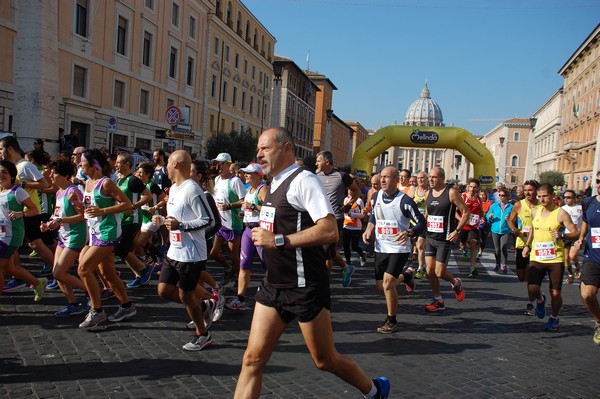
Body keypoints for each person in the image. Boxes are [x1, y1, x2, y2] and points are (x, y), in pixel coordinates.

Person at [234, 127, 389, 399]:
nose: (258, 154)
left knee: (325, 359)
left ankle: (375, 390)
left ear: (286, 149)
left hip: (305, 287)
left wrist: (278, 240)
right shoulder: (272, 184)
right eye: (257, 149)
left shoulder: (304, 180)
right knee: (252, 360)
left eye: (265, 148)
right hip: (274, 285)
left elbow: (330, 231)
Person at [155, 150, 217, 351]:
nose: (165, 167)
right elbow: (175, 219)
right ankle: (205, 305)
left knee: (186, 296)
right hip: (174, 250)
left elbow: (208, 219)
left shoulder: (193, 189)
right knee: (163, 290)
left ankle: (203, 334)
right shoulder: (173, 188)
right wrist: (162, 221)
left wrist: (181, 226)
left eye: (167, 164)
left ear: (176, 164)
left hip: (191, 254)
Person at [76, 149, 136, 330]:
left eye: (82, 162)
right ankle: (127, 306)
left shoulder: (106, 183)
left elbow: (128, 205)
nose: (79, 165)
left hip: (108, 233)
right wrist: (77, 204)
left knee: (84, 269)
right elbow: (89, 209)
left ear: (94, 165)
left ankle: (97, 311)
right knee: (107, 273)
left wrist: (103, 211)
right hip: (94, 233)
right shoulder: (87, 183)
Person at [362, 166, 426, 334]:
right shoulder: (376, 196)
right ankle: (406, 277)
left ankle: (392, 320)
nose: (382, 180)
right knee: (381, 287)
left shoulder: (405, 201)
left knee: (388, 284)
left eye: (387, 177)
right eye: (381, 177)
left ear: (396, 180)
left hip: (399, 248)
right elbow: (374, 215)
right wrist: (369, 228)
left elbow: (421, 223)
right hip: (381, 247)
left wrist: (410, 232)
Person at [522, 183, 579, 331]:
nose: (542, 199)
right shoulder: (535, 212)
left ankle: (554, 317)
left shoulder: (561, 213)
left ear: (553, 196)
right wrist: (527, 246)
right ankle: (540, 300)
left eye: (545, 196)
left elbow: (575, 232)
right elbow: (533, 231)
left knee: (555, 293)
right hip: (537, 257)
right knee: (532, 289)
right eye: (539, 196)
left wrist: (562, 235)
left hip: (555, 258)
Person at [0, 137, 54, 291]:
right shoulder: (11, 166)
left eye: (1, 149)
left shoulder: (25, 166)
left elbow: (45, 184)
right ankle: (17, 277)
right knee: (17, 249)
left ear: (10, 149)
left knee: (36, 244)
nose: (0, 153)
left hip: (27, 212)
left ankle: (58, 273)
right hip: (11, 215)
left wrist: (21, 184)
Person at [40, 159, 89, 316]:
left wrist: (60, 221)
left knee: (59, 273)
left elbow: (83, 216)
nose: (52, 175)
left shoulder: (73, 192)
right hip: (63, 235)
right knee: (57, 272)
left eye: (55, 173)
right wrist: (48, 224)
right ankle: (73, 304)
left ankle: (92, 290)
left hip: (76, 235)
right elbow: (58, 216)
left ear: (66, 175)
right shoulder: (59, 192)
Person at [423, 167, 469, 312]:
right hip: (430, 237)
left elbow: (466, 212)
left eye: (434, 177)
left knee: (439, 272)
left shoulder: (451, 192)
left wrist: (457, 231)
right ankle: (438, 300)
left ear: (442, 178)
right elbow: (427, 214)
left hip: (444, 239)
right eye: (430, 177)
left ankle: (455, 282)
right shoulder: (428, 194)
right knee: (429, 271)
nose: (430, 179)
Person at [0, 160, 47, 303]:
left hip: (11, 235)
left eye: (4, 172)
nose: (1, 175)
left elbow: (34, 209)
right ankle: (38, 283)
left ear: (12, 175)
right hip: (0, 234)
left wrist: (21, 214)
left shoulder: (17, 191)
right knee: (10, 268)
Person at [315, 150, 361, 287]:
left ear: (327, 162)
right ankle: (346, 267)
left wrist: (348, 206)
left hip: (336, 218)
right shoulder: (316, 175)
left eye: (318, 160)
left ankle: (324, 284)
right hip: (319, 217)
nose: (316, 163)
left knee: (326, 251)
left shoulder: (342, 176)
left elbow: (357, 191)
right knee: (329, 251)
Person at [226, 163, 267, 311]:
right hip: (247, 231)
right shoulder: (249, 189)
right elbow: (250, 208)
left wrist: (254, 207)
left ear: (258, 175)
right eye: (245, 173)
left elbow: (271, 210)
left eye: (249, 173)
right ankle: (240, 299)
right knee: (244, 265)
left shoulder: (263, 189)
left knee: (267, 265)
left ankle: (275, 292)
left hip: (260, 230)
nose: (246, 175)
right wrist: (244, 213)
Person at [114, 153, 153, 288]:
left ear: (127, 165)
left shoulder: (133, 180)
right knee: (122, 250)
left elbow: (147, 196)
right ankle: (140, 274)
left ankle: (145, 269)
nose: (115, 165)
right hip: (122, 218)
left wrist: (134, 206)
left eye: (118, 162)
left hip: (133, 219)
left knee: (121, 250)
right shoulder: (120, 180)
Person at [210, 152, 246, 285]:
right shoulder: (217, 179)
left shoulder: (235, 181)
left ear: (228, 164)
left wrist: (229, 206)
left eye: (221, 163)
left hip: (233, 223)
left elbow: (244, 201)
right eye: (216, 163)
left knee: (233, 255)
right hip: (220, 223)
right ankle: (228, 268)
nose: (218, 166)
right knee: (213, 253)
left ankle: (239, 278)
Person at [507, 179, 540, 315]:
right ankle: (538, 296)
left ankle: (531, 303)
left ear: (536, 191)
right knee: (521, 276)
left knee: (531, 277)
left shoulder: (541, 206)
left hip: (537, 245)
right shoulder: (518, 205)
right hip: (521, 243)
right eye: (526, 190)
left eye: (530, 190)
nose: (527, 193)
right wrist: (514, 229)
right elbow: (510, 220)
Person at [572, 188, 600, 344]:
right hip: (593, 256)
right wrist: (581, 238)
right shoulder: (588, 202)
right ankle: (599, 321)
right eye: (598, 182)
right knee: (587, 295)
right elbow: (585, 222)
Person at [459, 178, 484, 278]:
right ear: (468, 187)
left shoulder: (478, 198)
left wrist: (482, 218)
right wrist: (461, 220)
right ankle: (464, 248)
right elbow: (456, 211)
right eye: (471, 187)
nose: (473, 189)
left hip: (474, 226)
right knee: (462, 245)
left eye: (475, 187)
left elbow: (481, 212)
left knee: (473, 243)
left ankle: (472, 267)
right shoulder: (463, 197)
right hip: (464, 225)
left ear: (477, 188)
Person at [486, 188, 513, 273]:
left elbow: (515, 218)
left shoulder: (511, 207)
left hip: (505, 230)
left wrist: (510, 219)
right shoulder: (494, 205)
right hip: (495, 229)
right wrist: (489, 216)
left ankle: (504, 265)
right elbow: (487, 216)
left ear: (507, 197)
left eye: (503, 195)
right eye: (500, 195)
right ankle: (497, 264)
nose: (501, 197)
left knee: (503, 247)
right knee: (497, 249)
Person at [561, 190, 583, 284]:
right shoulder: (562, 208)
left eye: (569, 197)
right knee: (566, 258)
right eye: (564, 197)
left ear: (574, 198)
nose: (566, 199)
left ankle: (577, 267)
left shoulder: (581, 208)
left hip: (577, 235)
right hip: (566, 235)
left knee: (572, 255)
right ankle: (570, 275)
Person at [342, 186, 367, 268]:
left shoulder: (359, 201)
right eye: (349, 189)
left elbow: (362, 215)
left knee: (354, 246)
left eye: (352, 190)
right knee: (345, 246)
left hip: (356, 227)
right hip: (346, 226)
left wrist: (352, 214)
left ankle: (362, 254)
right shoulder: (346, 199)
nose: (350, 191)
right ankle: (348, 264)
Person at [413, 171, 429, 278]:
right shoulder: (413, 190)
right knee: (413, 245)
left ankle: (421, 266)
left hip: (424, 222)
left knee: (420, 244)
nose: (420, 180)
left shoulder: (429, 192)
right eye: (418, 178)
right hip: (413, 221)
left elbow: (429, 209)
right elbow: (407, 203)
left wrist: (424, 219)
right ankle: (410, 263)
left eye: (422, 178)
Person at [478, 190, 492, 258]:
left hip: (486, 223)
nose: (482, 196)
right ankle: (475, 250)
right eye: (481, 194)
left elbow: (490, 212)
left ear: (486, 196)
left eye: (483, 195)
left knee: (484, 238)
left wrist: (486, 215)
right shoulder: (477, 202)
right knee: (476, 238)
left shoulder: (489, 203)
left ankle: (480, 251)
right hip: (478, 222)